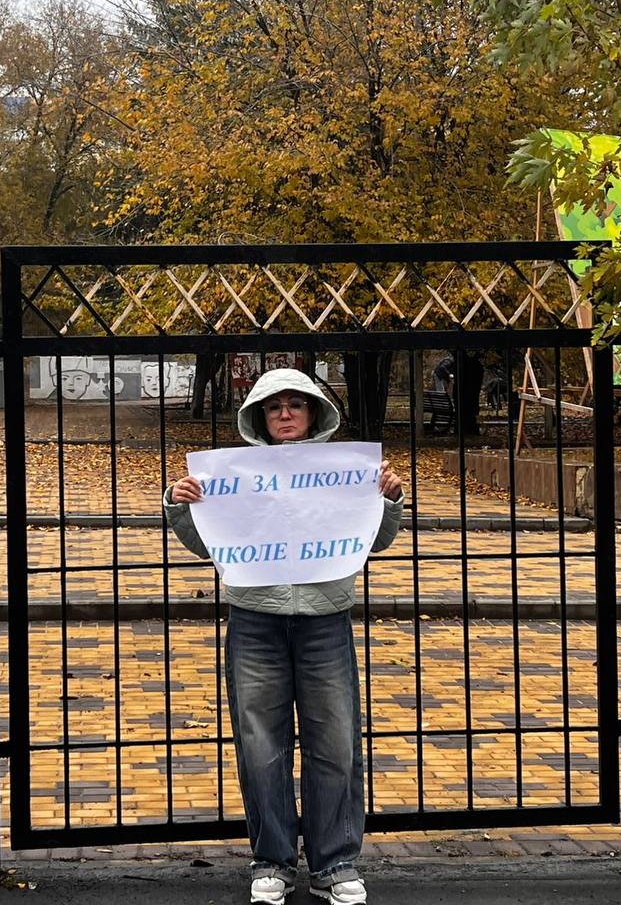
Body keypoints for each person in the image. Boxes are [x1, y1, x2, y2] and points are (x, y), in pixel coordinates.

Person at [164, 368, 404, 905]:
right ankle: (272, 861)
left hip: (324, 620)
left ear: (315, 412)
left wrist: (388, 498)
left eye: (297, 405)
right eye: (275, 407)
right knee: (260, 746)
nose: (287, 414)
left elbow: (378, 539)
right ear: (260, 418)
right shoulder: (236, 473)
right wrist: (180, 503)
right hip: (256, 620)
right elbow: (206, 544)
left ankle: (335, 864)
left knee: (335, 742)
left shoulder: (344, 471)